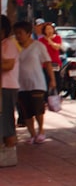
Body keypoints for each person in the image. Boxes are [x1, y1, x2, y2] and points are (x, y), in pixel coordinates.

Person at [12, 20, 55, 144]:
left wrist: (52, 80)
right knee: (26, 112)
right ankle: (32, 134)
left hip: (37, 83)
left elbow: (47, 63)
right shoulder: (15, 48)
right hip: (20, 84)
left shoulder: (38, 46)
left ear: (28, 33)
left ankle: (41, 131)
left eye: (20, 33)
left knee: (38, 110)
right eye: (16, 34)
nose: (18, 36)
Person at [1, 16, 19, 149]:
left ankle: (9, 149)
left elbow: (8, 65)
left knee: (6, 119)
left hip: (6, 86)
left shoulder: (8, 45)